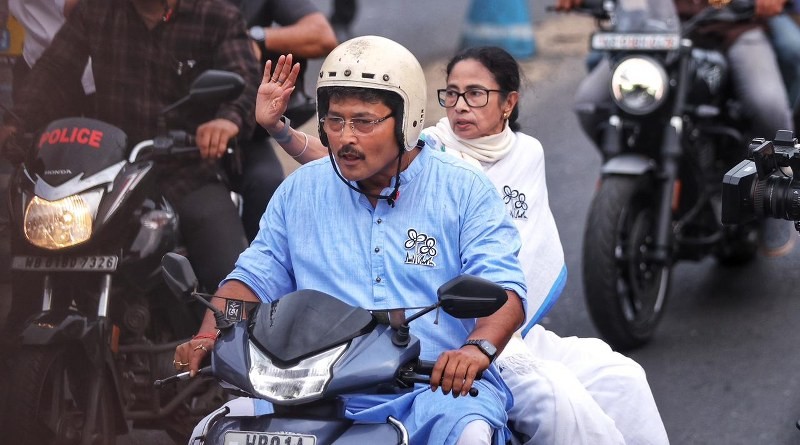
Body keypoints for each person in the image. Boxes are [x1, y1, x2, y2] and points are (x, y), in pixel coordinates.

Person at [263, 45, 669, 444]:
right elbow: (344, 155)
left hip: (503, 326)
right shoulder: (426, 146)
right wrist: (281, 130)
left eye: (475, 94)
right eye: (452, 94)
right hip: (441, 344)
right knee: (556, 404)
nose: (459, 106)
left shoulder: (522, 155)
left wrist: (486, 337)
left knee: (622, 377)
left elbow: (510, 275)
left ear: (509, 103)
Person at [176, 35, 527, 444]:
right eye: (335, 121)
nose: (345, 137)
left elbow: (505, 291)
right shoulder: (300, 190)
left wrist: (475, 351)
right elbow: (253, 279)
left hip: (432, 392)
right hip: (308, 394)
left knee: (470, 435)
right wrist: (208, 334)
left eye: (364, 122)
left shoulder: (464, 189)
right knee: (209, 432)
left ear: (407, 121)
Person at [0, 0, 259, 331]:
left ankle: (237, 348)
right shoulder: (97, 12)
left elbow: (245, 80)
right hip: (114, 174)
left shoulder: (217, 15)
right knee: (35, 234)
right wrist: (17, 122)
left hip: (188, 171)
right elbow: (54, 71)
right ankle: (20, 336)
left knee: (232, 275)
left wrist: (227, 120)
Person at [559, 0, 795, 256]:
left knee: (767, 104)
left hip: (731, 28)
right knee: (589, 103)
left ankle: (773, 198)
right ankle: (633, 182)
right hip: (654, 34)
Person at [232, 0, 337, 241]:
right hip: (177, 145)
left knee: (269, 186)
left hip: (244, 135)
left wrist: (256, 37)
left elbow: (323, 36)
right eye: (337, 118)